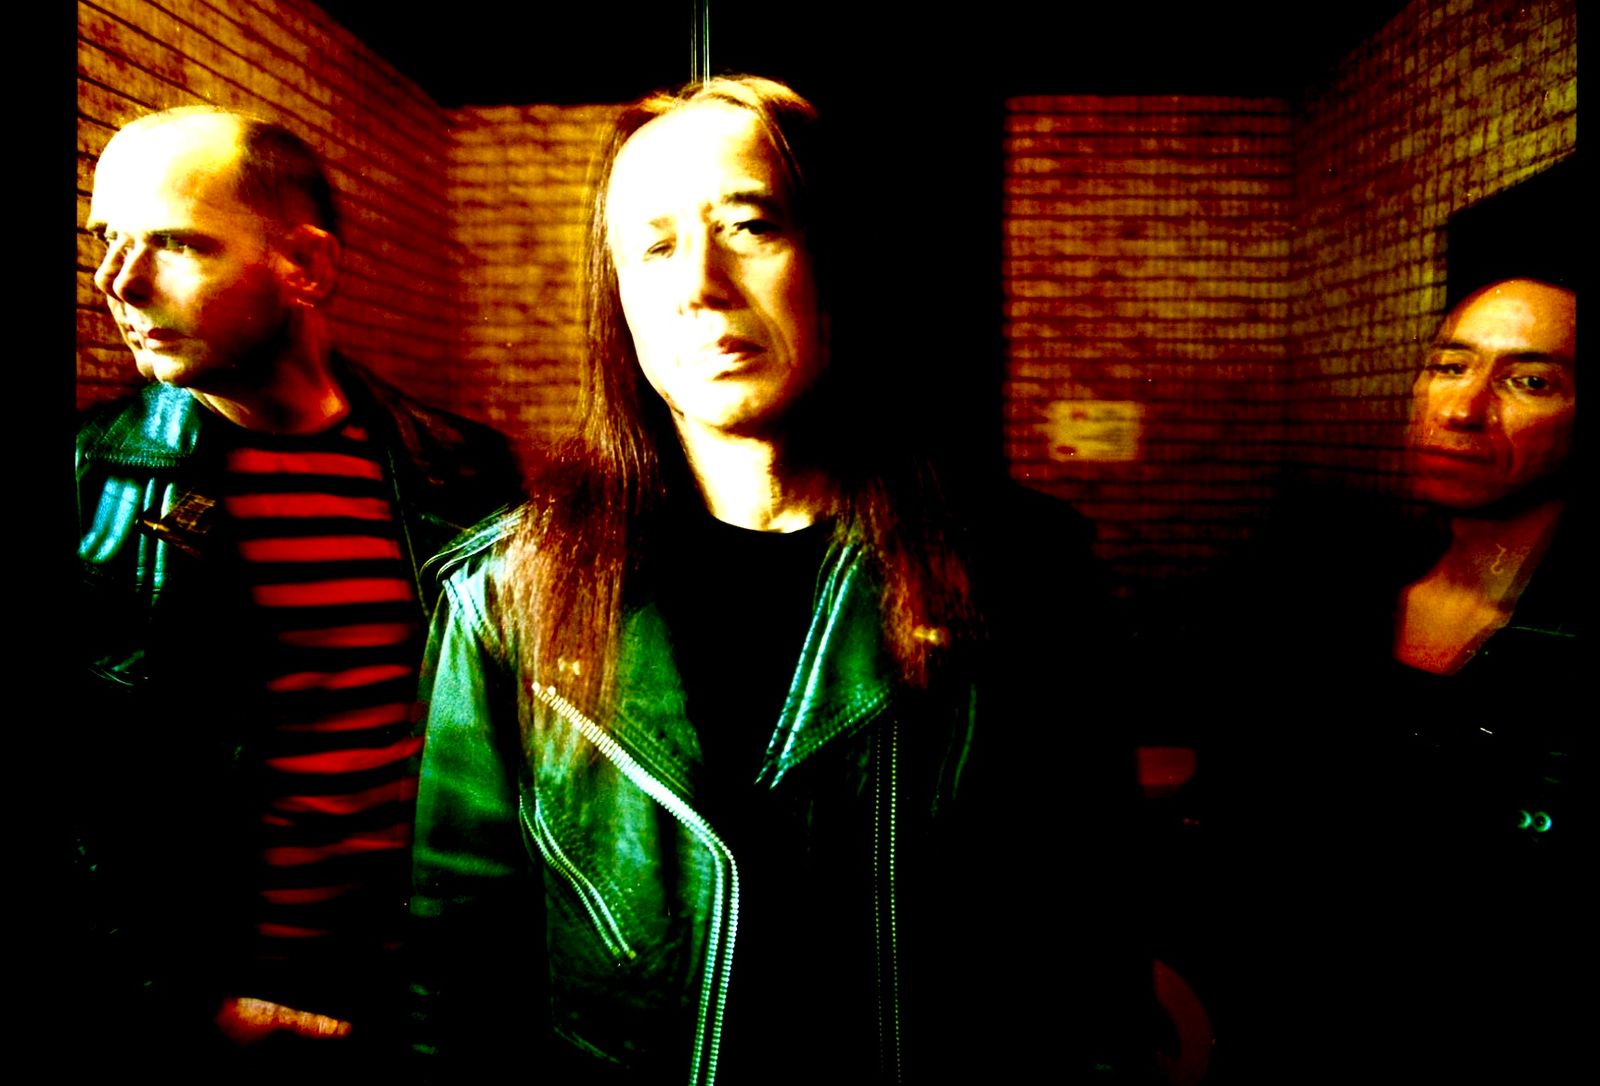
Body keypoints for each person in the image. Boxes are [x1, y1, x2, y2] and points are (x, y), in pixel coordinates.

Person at [409, 76, 1153, 1083]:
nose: (699, 284)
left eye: (749, 226)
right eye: (653, 248)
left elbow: (1092, 948)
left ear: (837, 257)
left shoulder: (1023, 572)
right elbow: (455, 969)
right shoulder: (512, 593)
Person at [74, 107, 521, 1072]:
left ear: (306, 267)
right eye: (107, 238)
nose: (118, 282)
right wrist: (178, 1004)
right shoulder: (91, 484)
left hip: (432, 1005)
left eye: (175, 244)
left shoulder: (462, 476)